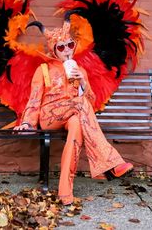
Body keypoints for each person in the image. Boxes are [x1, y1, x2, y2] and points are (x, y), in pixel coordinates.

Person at [14, 20, 133, 206]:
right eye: (61, 47)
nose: (67, 50)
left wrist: (82, 83)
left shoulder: (80, 70)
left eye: (70, 45)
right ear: (54, 50)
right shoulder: (43, 69)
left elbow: (90, 105)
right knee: (80, 105)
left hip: (75, 113)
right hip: (49, 116)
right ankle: (110, 161)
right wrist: (27, 123)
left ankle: (65, 192)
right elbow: (35, 99)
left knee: (78, 123)